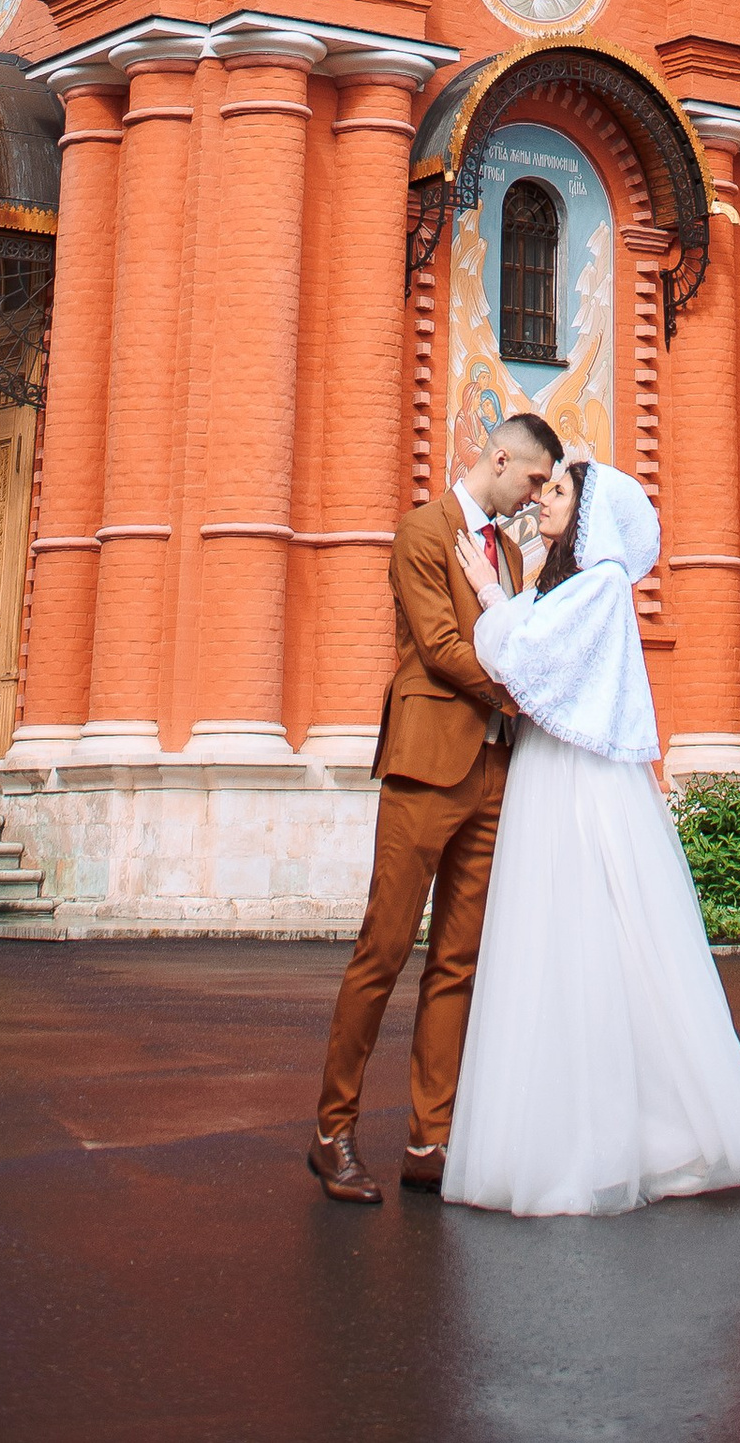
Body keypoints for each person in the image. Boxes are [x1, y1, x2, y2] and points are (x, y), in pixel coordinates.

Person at [441, 451, 740, 1217]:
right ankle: (598, 1131)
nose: (546, 500)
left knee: (588, 940)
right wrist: (508, 593)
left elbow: (527, 652)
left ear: (592, 513)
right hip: (562, 772)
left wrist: (491, 592)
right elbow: (534, 635)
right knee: (567, 946)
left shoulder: (596, 585)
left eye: (560, 491)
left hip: (578, 785)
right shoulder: (572, 585)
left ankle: (607, 1141)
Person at [308, 411, 559, 1203]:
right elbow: (444, 645)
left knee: (458, 962)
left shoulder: (513, 556)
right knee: (383, 949)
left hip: (492, 769)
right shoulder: (423, 531)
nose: (534, 496)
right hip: (426, 763)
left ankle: (430, 1137)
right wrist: (525, 694)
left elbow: (517, 638)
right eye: (532, 480)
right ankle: (331, 1132)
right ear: (500, 458)